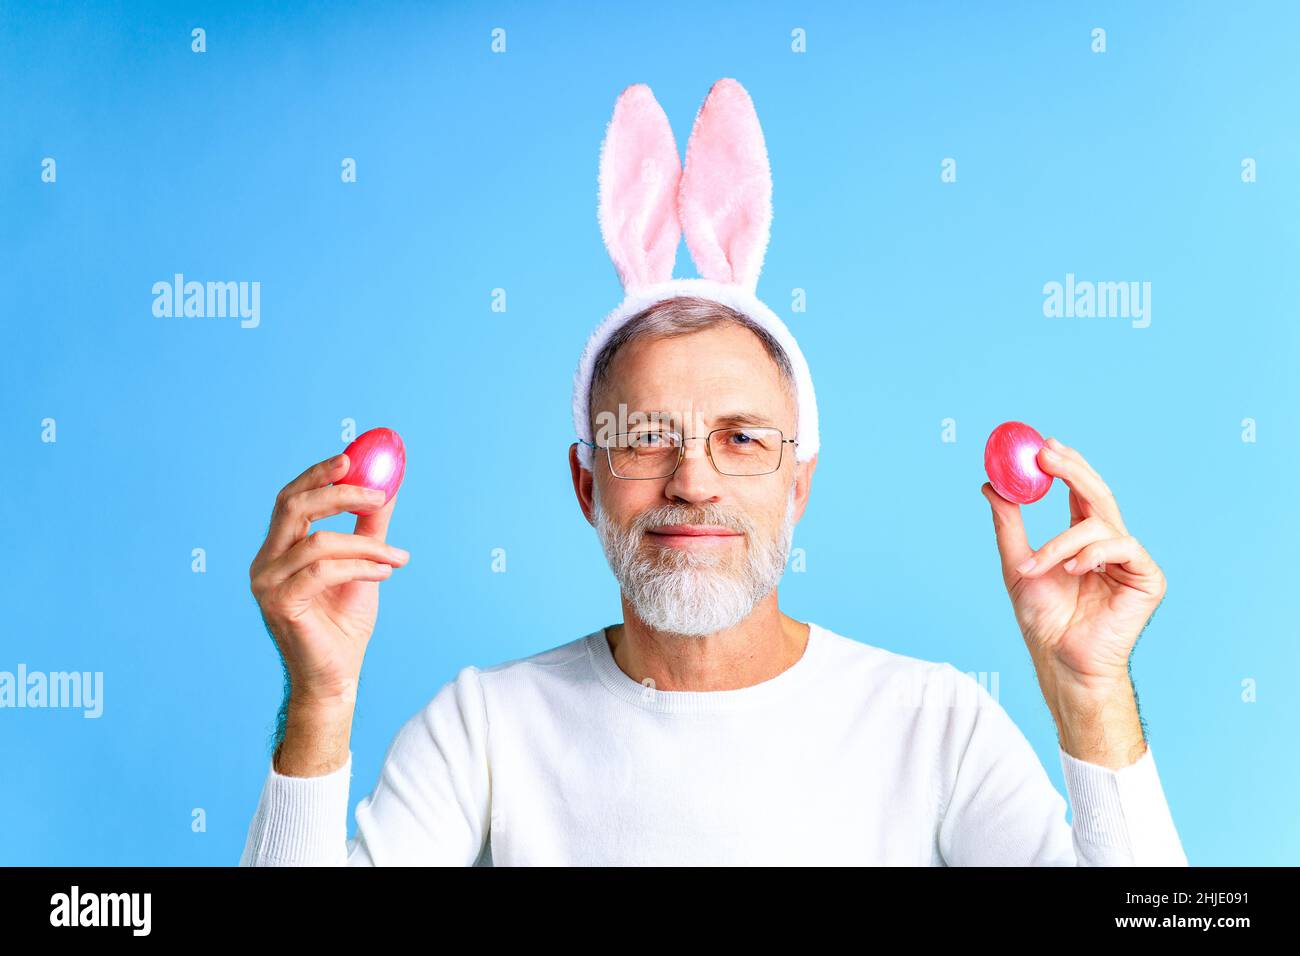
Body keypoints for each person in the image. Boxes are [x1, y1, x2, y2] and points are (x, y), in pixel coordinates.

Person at [239, 79, 1187, 866]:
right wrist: (319, 699)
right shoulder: (483, 730)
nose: (692, 480)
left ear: (799, 483)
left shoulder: (933, 722)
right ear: (586, 485)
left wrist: (1091, 695)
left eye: (741, 439)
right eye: (647, 436)